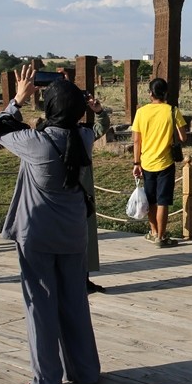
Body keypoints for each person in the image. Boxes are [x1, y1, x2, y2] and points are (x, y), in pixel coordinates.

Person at [0, 66, 101, 384]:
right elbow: (94, 126)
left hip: (37, 235)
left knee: (40, 305)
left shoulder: (37, 144)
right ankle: (86, 372)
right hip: (72, 234)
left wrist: (19, 98)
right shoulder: (83, 138)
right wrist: (95, 111)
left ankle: (47, 381)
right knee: (74, 303)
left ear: (49, 107)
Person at [130, 78, 187, 247]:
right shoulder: (172, 111)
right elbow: (183, 137)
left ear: (150, 93)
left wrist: (136, 162)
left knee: (151, 200)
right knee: (163, 201)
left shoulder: (141, 112)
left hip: (146, 162)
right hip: (166, 162)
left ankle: (153, 231)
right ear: (166, 93)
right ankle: (161, 237)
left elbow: (136, 141)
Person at [83, 93, 111, 293]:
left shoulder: (82, 133)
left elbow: (101, 128)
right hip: (58, 194)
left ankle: (83, 278)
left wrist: (99, 112)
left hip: (81, 194)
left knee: (85, 236)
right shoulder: (45, 133)